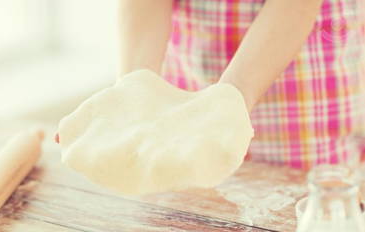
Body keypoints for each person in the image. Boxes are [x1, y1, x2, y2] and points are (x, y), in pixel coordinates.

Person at [116, 0, 365, 169]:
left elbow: (295, 6)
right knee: (193, 211)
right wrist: (136, 87)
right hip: (193, 69)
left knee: (300, 217)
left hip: (302, 84)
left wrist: (229, 101)